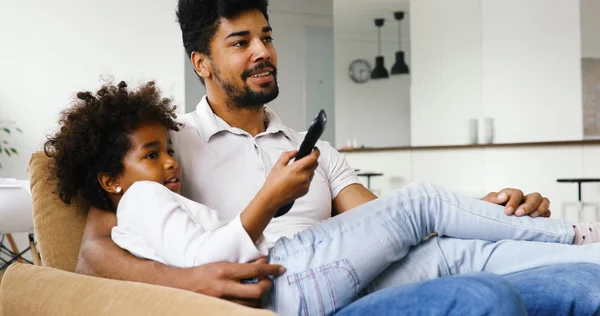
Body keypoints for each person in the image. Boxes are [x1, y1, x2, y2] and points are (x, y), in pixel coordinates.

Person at [67, 0, 600, 314]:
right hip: (303, 292)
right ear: (201, 62)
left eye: (267, 37)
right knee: (484, 295)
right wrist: (193, 281)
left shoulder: (314, 149)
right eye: (240, 42)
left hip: (365, 272)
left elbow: (384, 221)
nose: (263, 52)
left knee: (574, 280)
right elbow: (91, 252)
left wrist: (487, 214)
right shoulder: (165, 149)